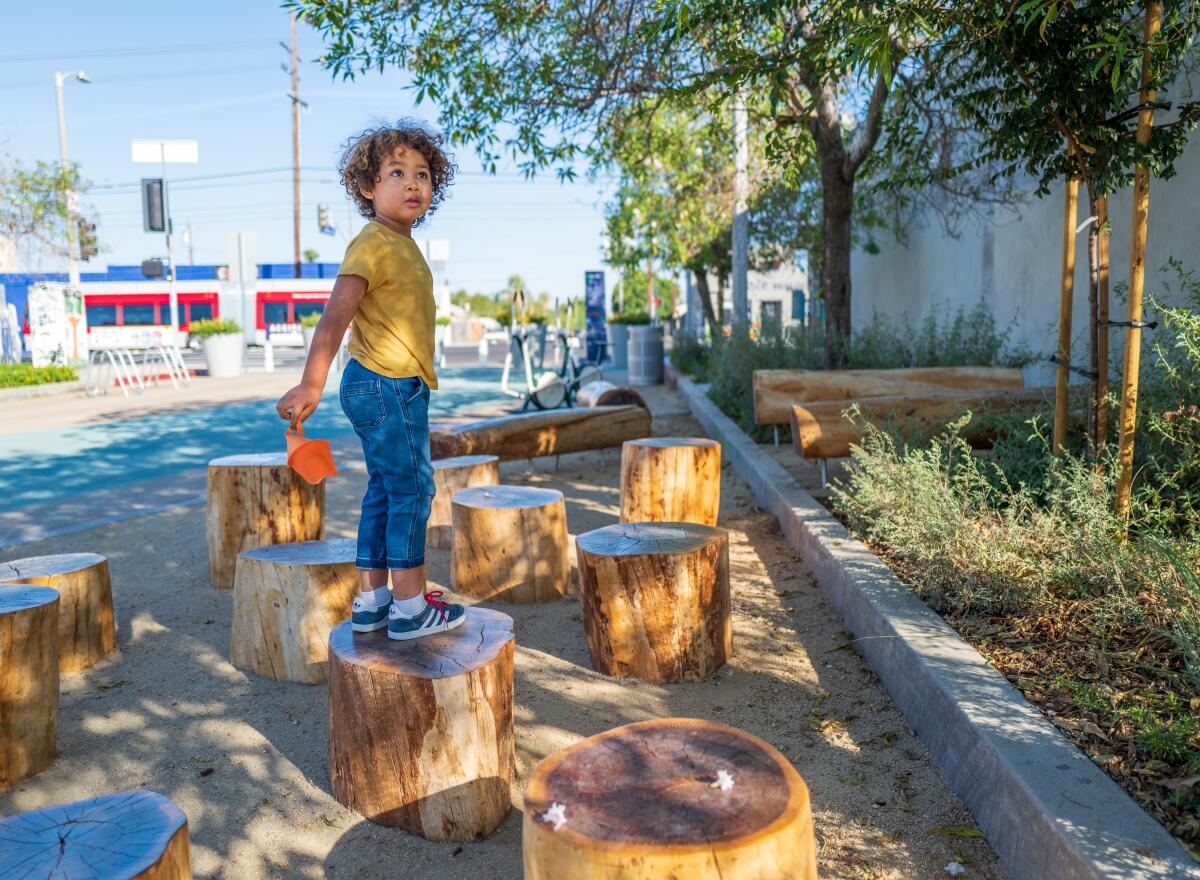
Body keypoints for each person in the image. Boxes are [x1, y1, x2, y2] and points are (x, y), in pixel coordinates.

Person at [276, 121, 463, 641]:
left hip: (388, 385)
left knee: (384, 487)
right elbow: (335, 316)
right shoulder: (374, 243)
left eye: (422, 175)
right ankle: (410, 606)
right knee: (413, 488)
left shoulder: (401, 245)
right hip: (386, 384)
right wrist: (310, 384)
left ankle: (373, 598)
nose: (412, 184)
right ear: (366, 187)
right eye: (396, 172)